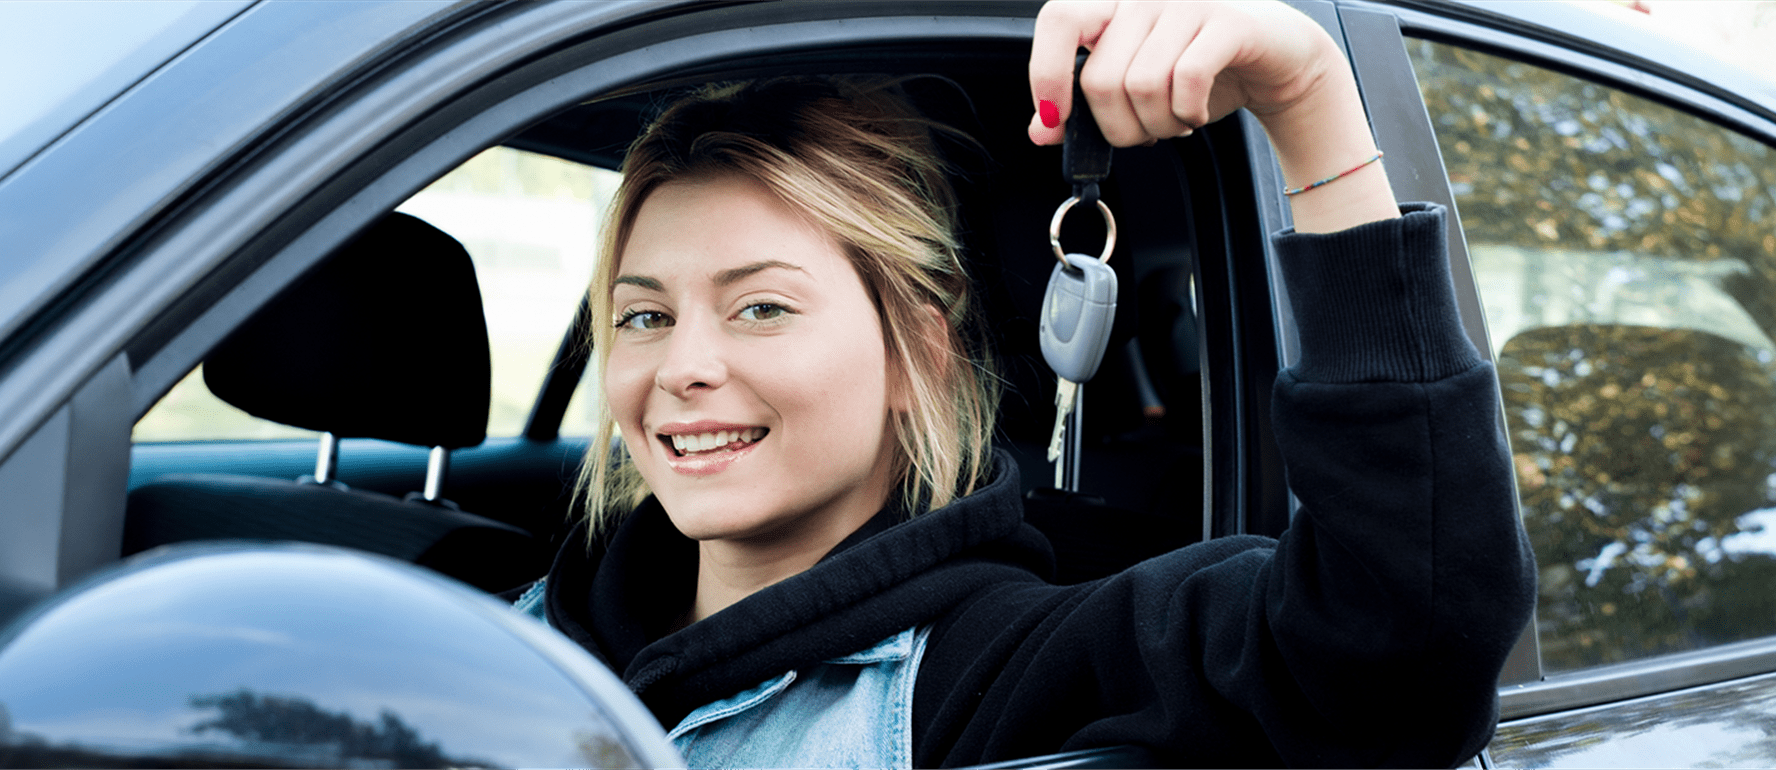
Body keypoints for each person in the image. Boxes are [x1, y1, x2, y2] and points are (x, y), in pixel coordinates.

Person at [513, 1, 1536, 766]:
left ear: (922, 351)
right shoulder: (523, 618)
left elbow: (1403, 650)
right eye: (645, 314)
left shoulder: (992, 668)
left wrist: (1305, 98)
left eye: (761, 307)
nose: (683, 365)